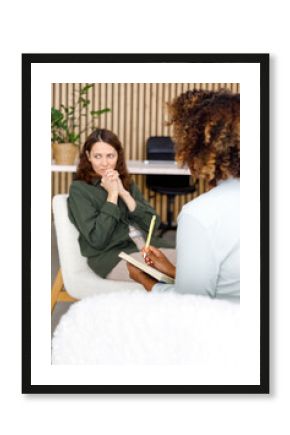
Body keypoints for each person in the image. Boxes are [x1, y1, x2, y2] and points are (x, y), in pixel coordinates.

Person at [127, 89, 240, 301]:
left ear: (195, 145)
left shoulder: (200, 215)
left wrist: (146, 281)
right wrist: (173, 271)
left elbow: (191, 305)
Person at [67, 128, 175, 281]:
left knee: (193, 264)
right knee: (175, 276)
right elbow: (98, 239)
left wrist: (123, 192)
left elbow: (153, 223)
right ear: (88, 156)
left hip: (149, 247)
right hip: (114, 257)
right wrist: (112, 195)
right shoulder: (80, 190)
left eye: (110, 156)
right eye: (97, 156)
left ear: (118, 156)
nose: (104, 163)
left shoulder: (126, 183)